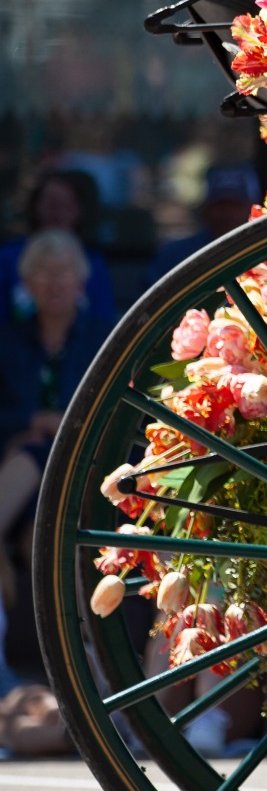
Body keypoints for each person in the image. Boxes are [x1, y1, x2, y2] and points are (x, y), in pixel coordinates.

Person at [0, 230, 116, 686]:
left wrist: (56, 422)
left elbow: (110, 410)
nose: (54, 283)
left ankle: (84, 672)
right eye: (43, 274)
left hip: (78, 467)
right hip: (22, 460)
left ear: (81, 281)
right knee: (30, 459)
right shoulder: (9, 339)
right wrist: (30, 419)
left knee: (42, 531)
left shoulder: (102, 337)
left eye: (63, 272)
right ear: (26, 283)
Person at [0, 169, 115, 322]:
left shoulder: (94, 264)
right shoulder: (7, 259)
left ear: (80, 211)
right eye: (52, 205)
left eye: (67, 206)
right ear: (35, 206)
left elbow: (105, 328)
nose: (58, 214)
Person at [144, 162, 260, 285]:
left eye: (236, 205)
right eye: (220, 205)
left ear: (253, 208)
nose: (228, 213)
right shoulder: (176, 256)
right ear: (206, 208)